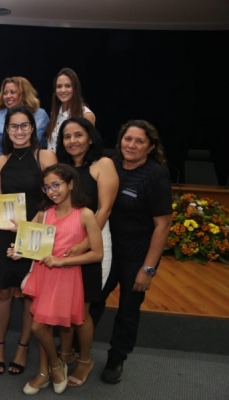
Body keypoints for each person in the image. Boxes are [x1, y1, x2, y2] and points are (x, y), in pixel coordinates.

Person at [90, 120, 172, 384]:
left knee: (128, 308)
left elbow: (162, 225)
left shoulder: (155, 174)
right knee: (93, 298)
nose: (132, 145)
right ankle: (79, 349)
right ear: (120, 141)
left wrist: (148, 269)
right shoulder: (110, 164)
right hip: (107, 248)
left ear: (150, 147)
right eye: (128, 139)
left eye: (139, 141)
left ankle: (117, 358)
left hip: (137, 253)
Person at [17, 164, 103, 395]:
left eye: (56, 185)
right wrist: (19, 250)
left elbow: (97, 253)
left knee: (39, 325)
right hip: (43, 275)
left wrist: (62, 261)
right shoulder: (45, 213)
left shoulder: (84, 214)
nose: (52, 191)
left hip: (66, 276)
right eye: (47, 187)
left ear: (71, 184)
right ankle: (49, 370)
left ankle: (55, 366)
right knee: (43, 323)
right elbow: (30, 243)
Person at [0, 104, 56, 375]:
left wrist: (27, 228)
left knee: (29, 292)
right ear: (6, 130)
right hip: (5, 232)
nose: (19, 131)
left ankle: (23, 347)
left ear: (33, 128)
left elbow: (53, 198)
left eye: (24, 125)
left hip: (35, 232)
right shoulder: (1, 160)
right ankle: (0, 346)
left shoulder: (45, 156)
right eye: (13, 126)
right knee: (3, 291)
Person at [54, 117, 119, 387]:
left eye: (78, 135)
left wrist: (85, 242)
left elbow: (105, 208)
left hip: (94, 240)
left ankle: (85, 360)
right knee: (66, 304)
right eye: (67, 136)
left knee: (82, 308)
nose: (72, 141)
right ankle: (66, 353)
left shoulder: (103, 164)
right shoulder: (62, 169)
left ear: (90, 137)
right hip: (64, 241)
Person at [0, 77, 49, 158]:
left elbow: (46, 145)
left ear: (24, 93)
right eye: (5, 93)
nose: (8, 96)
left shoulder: (41, 115)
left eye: (13, 92)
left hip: (34, 165)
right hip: (4, 166)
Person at [45, 68, 96, 152]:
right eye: (59, 86)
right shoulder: (54, 113)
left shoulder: (85, 115)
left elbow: (88, 149)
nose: (63, 90)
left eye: (68, 86)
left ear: (75, 88)